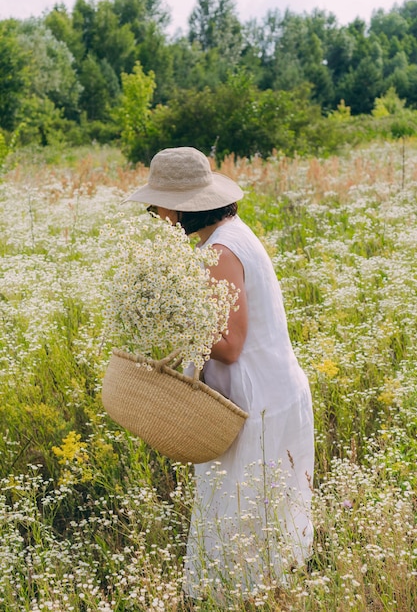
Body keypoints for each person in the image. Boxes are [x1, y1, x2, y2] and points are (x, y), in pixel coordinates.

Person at [125, 147, 314, 604]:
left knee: (238, 524)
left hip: (252, 407)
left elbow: (229, 347)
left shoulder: (220, 251)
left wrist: (173, 313)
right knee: (264, 526)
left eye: (160, 205)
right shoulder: (233, 234)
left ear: (186, 206)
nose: (156, 215)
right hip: (271, 395)